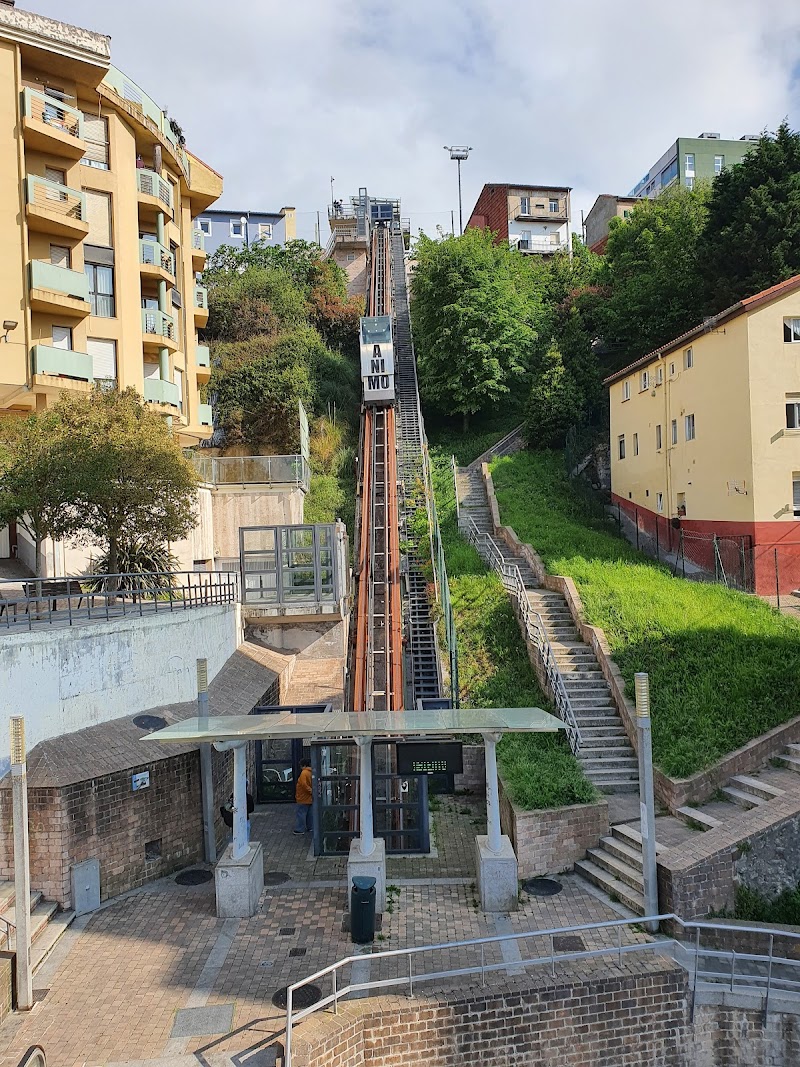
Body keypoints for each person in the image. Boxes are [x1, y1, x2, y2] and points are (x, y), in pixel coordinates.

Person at [294, 759, 313, 835]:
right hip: (310, 797)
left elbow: (304, 785)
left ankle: (300, 829)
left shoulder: (304, 773)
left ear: (304, 765)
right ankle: (311, 827)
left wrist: (310, 791)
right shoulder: (311, 772)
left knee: (301, 814)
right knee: (309, 814)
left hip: (303, 797)